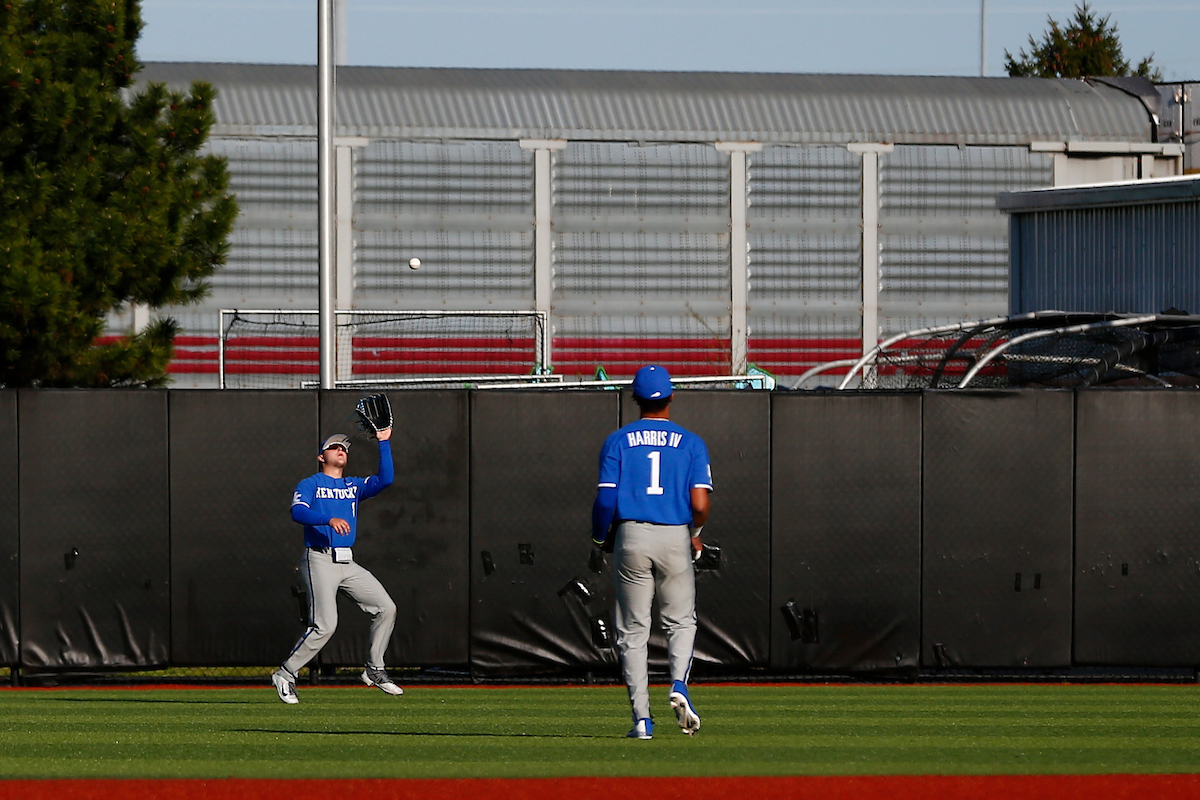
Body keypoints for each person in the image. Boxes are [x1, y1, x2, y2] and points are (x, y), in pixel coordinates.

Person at [591, 365, 713, 739]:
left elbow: (606, 500)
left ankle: (642, 719)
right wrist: (696, 534)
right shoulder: (691, 442)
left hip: (631, 535)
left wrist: (600, 538)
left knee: (633, 631)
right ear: (672, 396)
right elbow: (700, 504)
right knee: (681, 622)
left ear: (635, 399)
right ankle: (678, 683)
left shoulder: (618, 440)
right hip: (675, 534)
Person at [271, 429, 403, 704]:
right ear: (321, 457)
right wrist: (327, 519)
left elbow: (386, 479)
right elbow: (298, 511)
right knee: (325, 625)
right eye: (334, 447)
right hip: (319, 559)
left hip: (347, 562)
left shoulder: (353, 486)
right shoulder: (311, 483)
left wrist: (383, 442)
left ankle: (374, 669)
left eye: (344, 448)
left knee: (386, 608)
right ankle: (285, 673)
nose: (341, 450)